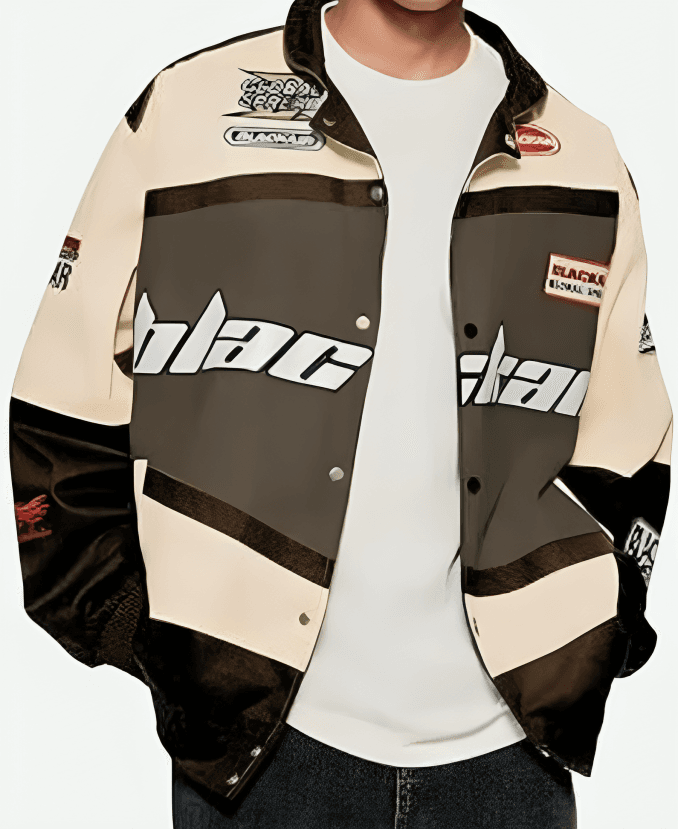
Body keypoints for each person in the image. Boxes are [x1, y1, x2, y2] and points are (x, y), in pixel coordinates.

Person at [9, 0, 672, 827]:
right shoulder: (188, 112)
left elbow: (630, 440)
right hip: (261, 758)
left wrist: (594, 633)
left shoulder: (580, 154)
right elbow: (62, 402)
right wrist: (148, 637)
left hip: (509, 766)